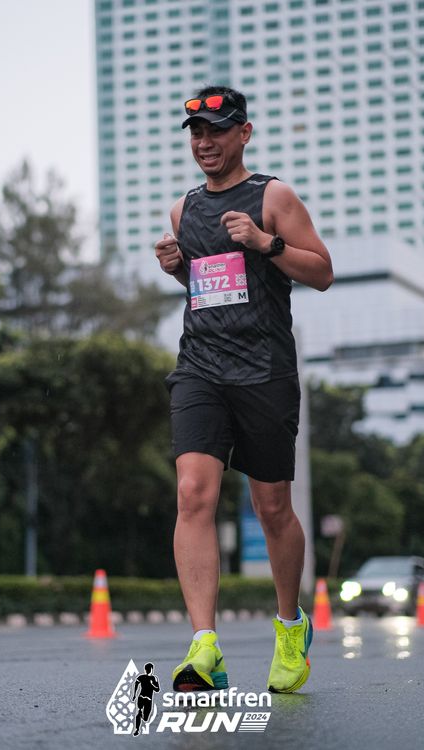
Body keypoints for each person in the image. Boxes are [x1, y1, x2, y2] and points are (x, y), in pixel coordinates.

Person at [155, 85, 333, 694]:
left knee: (272, 507)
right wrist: (179, 269)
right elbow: (208, 287)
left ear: (244, 133)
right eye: (197, 134)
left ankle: (290, 626)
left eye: (218, 131)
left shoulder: (273, 196)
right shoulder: (183, 210)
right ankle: (205, 646)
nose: (205, 143)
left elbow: (323, 272)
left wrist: (266, 243)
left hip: (265, 370)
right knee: (192, 493)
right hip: (201, 367)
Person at [132, 662, 160, 736]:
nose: (148, 670)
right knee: (139, 711)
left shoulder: (154, 678)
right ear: (145, 669)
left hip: (148, 700)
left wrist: (151, 684)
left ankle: (141, 715)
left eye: (149, 669)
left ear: (152, 669)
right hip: (141, 697)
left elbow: (157, 689)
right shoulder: (141, 677)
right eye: (147, 669)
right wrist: (134, 695)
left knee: (145, 718)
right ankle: (137, 729)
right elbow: (136, 684)